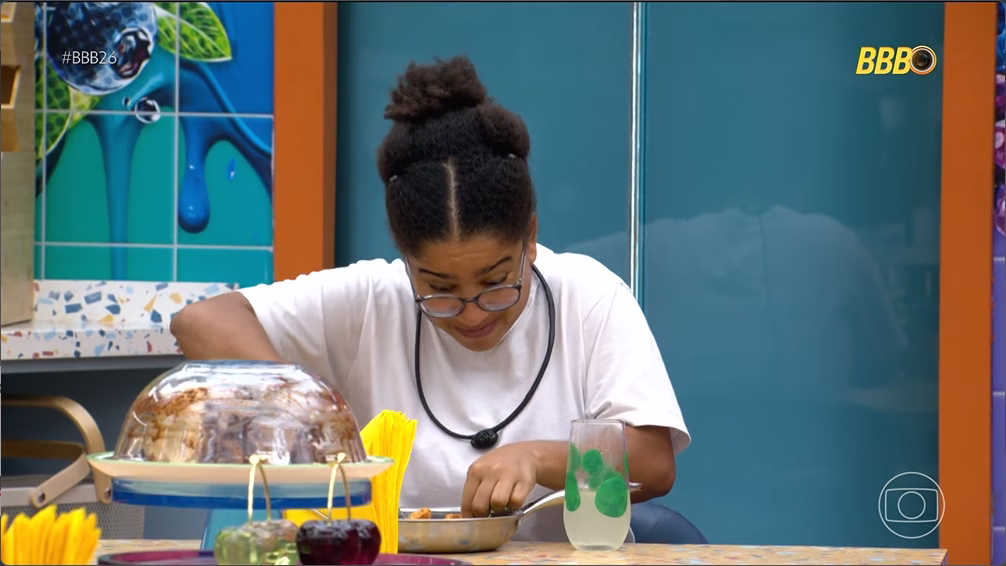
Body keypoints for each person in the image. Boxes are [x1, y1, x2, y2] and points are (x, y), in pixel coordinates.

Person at [170, 55, 690, 542]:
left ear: (530, 238)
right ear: (405, 260)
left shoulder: (589, 298)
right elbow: (201, 321)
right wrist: (301, 411)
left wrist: (536, 458)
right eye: (439, 289)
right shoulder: (373, 300)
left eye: (495, 282)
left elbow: (653, 462)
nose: (471, 312)